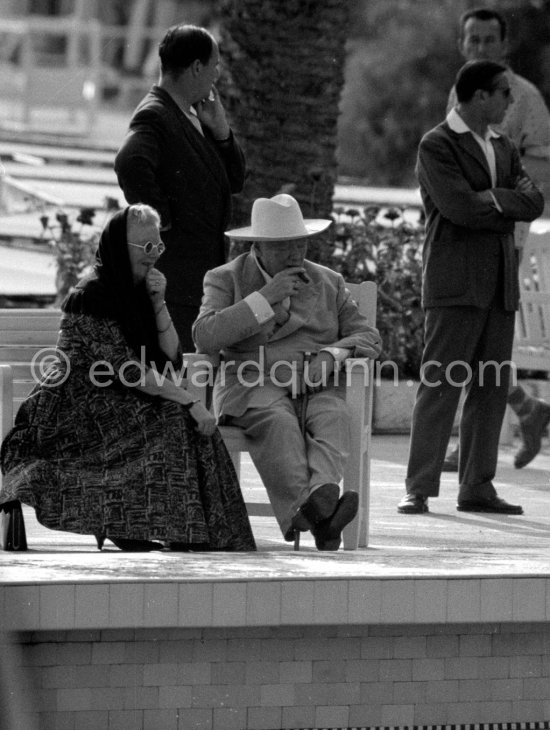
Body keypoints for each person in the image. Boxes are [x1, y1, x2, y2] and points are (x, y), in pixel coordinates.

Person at [0, 204, 256, 553]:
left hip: (116, 398)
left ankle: (189, 529)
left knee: (175, 417)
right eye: (146, 247)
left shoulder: (137, 291)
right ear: (121, 247)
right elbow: (127, 369)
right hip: (71, 410)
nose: (154, 256)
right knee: (172, 416)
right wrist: (191, 401)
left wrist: (158, 302)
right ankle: (145, 526)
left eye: (158, 246)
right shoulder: (91, 295)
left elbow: (171, 357)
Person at [193, 193, 381, 550]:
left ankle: (319, 507)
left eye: (300, 243)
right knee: (277, 421)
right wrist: (264, 298)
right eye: (283, 246)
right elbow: (205, 337)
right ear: (258, 246)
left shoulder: (329, 281)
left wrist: (333, 353)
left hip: (316, 385)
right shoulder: (225, 279)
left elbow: (367, 335)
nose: (296, 254)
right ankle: (319, 517)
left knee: (334, 413)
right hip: (252, 385)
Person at [397, 60, 544, 516]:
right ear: (480, 96)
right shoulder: (436, 144)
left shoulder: (503, 146)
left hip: (500, 282)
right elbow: (459, 208)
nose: (510, 100)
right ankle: (418, 487)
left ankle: (477, 486)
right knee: (441, 384)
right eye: (503, 92)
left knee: (491, 386)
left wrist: (494, 199)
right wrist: (504, 202)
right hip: (455, 284)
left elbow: (535, 201)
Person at [444, 7, 550, 471]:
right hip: (461, 232)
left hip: (504, 236)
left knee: (474, 335)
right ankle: (526, 408)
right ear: (462, 44)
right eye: (474, 40)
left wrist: (487, 205)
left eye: (490, 40)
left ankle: (475, 444)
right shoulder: (460, 91)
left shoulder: (523, 99)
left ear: (504, 46)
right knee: (468, 336)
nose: (482, 47)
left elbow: (538, 182)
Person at [114, 24, 246, 351]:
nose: (217, 73)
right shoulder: (155, 114)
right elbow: (129, 162)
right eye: (214, 65)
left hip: (196, 281)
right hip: (177, 284)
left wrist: (221, 131)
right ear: (197, 67)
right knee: (181, 381)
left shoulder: (189, 115)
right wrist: (164, 220)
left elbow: (235, 181)